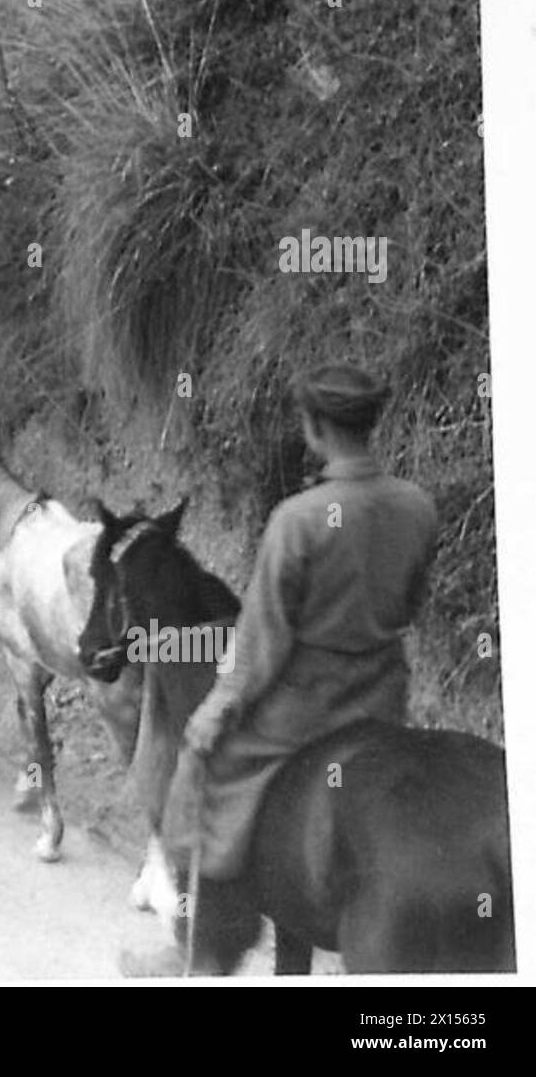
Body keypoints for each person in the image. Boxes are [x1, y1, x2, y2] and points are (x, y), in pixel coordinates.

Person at [124, 363, 439, 976]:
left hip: (306, 703)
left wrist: (214, 715)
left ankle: (208, 950)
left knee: (205, 774)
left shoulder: (297, 520)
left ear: (315, 428)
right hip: (382, 695)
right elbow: (409, 604)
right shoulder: (416, 507)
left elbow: (260, 645)